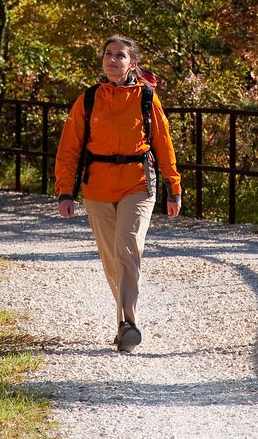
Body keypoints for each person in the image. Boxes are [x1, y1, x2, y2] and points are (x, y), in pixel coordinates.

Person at [55, 35, 183, 353]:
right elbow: (69, 148)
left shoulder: (146, 97)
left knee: (127, 249)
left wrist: (174, 187)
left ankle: (128, 322)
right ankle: (125, 323)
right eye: (108, 54)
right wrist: (65, 192)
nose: (113, 60)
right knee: (112, 259)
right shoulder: (87, 99)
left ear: (132, 64)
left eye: (120, 56)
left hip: (137, 184)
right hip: (96, 187)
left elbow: (163, 144)